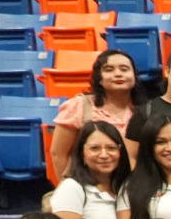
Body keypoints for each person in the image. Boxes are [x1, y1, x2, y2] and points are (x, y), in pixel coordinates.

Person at [50, 49, 141, 181]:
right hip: (87, 185)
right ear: (99, 79)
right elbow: (58, 153)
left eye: (124, 69)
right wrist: (67, 187)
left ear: (134, 76)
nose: (118, 74)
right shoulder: (80, 105)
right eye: (109, 70)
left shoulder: (145, 110)